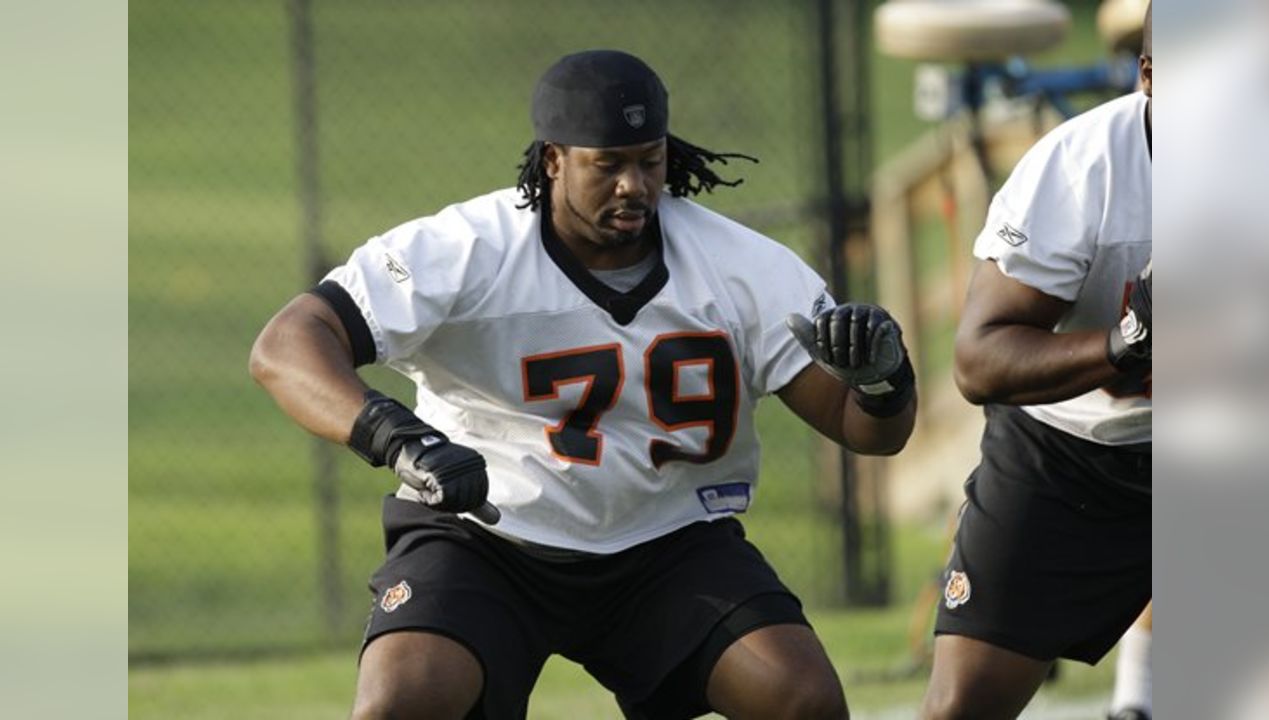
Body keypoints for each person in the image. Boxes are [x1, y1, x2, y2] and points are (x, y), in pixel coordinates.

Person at [250, 49, 918, 720]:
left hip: (666, 544)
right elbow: (287, 345)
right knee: (401, 702)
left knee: (803, 699)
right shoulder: (469, 249)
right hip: (488, 536)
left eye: (649, 161)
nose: (634, 186)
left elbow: (867, 432)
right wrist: (402, 441)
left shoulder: (739, 266)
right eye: (608, 164)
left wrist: (882, 384)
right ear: (552, 160)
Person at [920, 4, 1152, 718]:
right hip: (1068, 454)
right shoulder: (1083, 165)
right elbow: (980, 360)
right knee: (965, 705)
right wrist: (1122, 346)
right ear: (1150, 76)